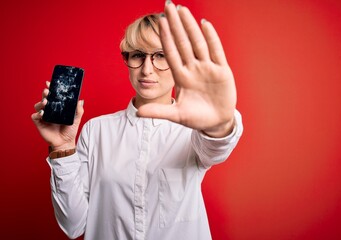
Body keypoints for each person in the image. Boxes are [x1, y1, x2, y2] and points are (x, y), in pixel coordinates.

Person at [31, 1, 243, 240]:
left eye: (161, 56)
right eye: (138, 55)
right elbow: (73, 225)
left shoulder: (193, 132)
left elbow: (215, 147)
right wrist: (62, 148)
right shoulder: (97, 130)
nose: (147, 70)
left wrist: (219, 124)